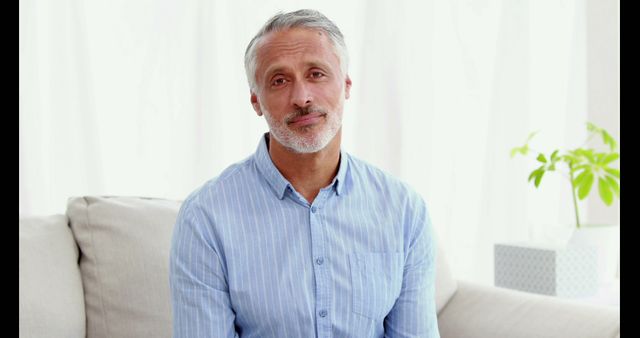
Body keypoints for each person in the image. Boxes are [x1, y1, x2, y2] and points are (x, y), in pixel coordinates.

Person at [169, 9, 440, 338]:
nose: (302, 97)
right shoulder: (205, 217)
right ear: (256, 101)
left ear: (347, 85)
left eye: (316, 74)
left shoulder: (404, 210)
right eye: (279, 81)